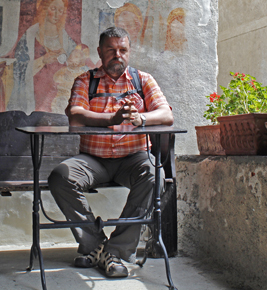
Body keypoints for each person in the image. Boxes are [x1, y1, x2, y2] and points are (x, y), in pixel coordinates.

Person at [48, 26, 173, 278]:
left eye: (123, 50)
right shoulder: (86, 80)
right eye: (111, 50)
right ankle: (94, 244)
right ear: (100, 52)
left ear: (128, 52)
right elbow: (75, 113)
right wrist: (111, 118)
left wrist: (141, 118)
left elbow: (166, 115)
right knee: (61, 177)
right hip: (94, 160)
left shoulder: (143, 80)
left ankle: (115, 251)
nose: (118, 55)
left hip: (133, 157)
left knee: (154, 176)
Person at [7, 0, 77, 112]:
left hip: (58, 93)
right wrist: (43, 60)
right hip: (34, 92)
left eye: (60, 10)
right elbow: (18, 69)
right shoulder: (29, 37)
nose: (56, 14)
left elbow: (76, 64)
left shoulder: (67, 40)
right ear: (44, 9)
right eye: (53, 9)